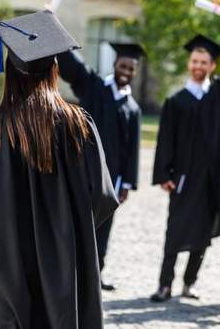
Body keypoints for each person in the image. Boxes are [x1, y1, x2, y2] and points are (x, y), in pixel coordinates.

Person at [0, 10, 119, 328]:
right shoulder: (79, 124)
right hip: (69, 269)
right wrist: (67, 230)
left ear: (10, 71)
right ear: (54, 68)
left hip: (9, 269)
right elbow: (103, 198)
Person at [150, 7, 220, 302]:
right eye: (194, 60)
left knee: (203, 234)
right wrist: (164, 174)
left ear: (212, 65)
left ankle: (189, 283)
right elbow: (165, 140)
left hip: (213, 177)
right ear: (190, 63)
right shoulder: (176, 101)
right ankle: (164, 284)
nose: (197, 65)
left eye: (203, 62)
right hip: (184, 176)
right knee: (175, 231)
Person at [58, 41, 144, 291]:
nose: (126, 71)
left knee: (103, 229)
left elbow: (133, 149)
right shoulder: (94, 87)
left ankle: (94, 275)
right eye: (123, 65)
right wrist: (52, 25)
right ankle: (65, 274)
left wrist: (127, 183)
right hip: (81, 170)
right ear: (115, 65)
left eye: (131, 68)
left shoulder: (133, 108)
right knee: (73, 223)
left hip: (112, 179)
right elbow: (73, 66)